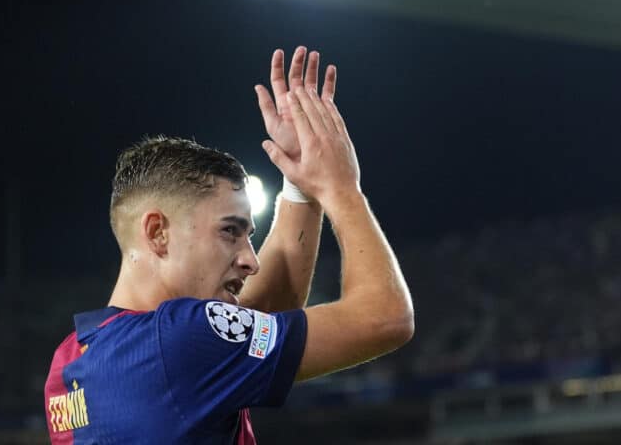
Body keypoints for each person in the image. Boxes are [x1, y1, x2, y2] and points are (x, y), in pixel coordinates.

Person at [43, 47, 414, 443]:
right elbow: (384, 318)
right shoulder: (179, 341)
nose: (250, 261)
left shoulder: (72, 360)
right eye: (228, 231)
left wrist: (300, 187)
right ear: (157, 233)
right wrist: (341, 188)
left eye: (247, 235)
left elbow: (263, 312)